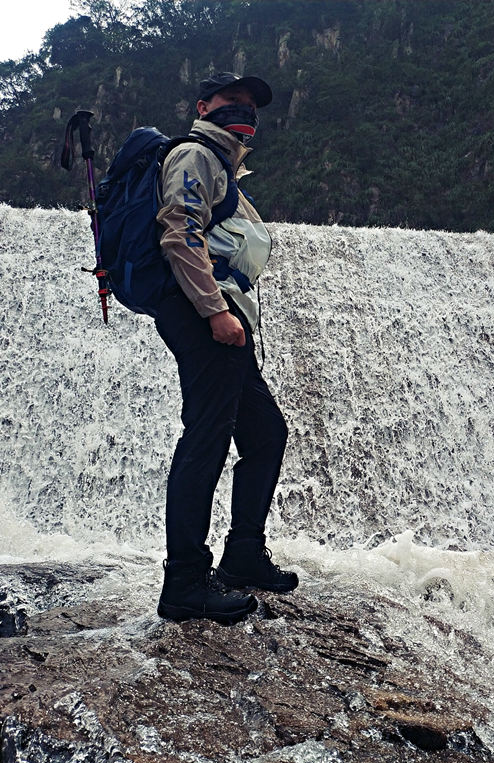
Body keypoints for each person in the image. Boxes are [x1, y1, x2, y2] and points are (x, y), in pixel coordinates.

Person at [154, 72, 298, 623]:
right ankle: (186, 584)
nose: (243, 111)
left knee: (264, 434)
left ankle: (242, 556)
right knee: (207, 441)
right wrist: (214, 310)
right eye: (231, 101)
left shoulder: (226, 166)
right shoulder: (195, 155)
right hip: (203, 312)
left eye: (250, 105)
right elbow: (179, 231)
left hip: (226, 315)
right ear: (202, 106)